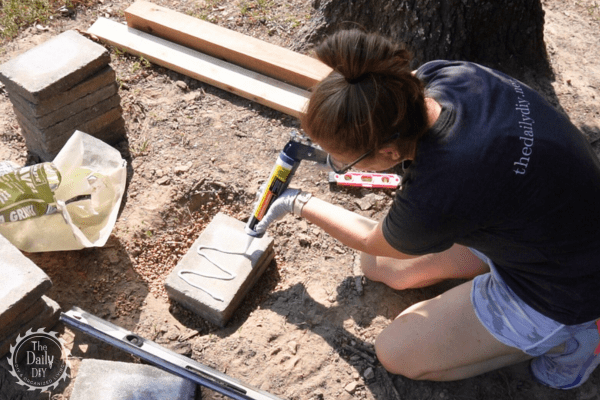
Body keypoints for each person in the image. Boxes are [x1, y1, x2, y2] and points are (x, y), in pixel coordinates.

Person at [254, 29, 600, 389]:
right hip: (546, 221)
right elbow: (382, 249)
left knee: (396, 352)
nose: (344, 169)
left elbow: (372, 239)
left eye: (346, 163)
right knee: (382, 268)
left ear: (388, 153)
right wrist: (342, 153)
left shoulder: (442, 185)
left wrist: (299, 203)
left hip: (567, 289)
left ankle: (573, 338)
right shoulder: (442, 78)